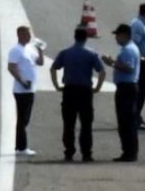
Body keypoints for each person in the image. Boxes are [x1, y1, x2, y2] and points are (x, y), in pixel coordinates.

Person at [50, 27, 107, 162]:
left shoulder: (65, 52)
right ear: (86, 38)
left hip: (69, 90)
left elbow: (53, 68)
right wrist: (98, 87)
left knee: (68, 124)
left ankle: (69, 152)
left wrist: (56, 85)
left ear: (74, 37)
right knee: (86, 124)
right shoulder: (91, 54)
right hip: (85, 91)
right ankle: (86, 153)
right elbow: (102, 71)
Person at [102, 23, 140, 162]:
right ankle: (129, 151)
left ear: (124, 35)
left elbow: (129, 67)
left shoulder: (128, 50)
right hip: (126, 87)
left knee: (126, 121)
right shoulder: (128, 48)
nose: (116, 38)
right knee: (125, 120)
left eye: (118, 35)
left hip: (127, 87)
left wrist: (112, 62)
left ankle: (129, 152)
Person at [7, 25, 44, 156]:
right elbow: (11, 67)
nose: (29, 36)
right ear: (20, 35)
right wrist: (21, 81)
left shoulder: (29, 49)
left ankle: (19, 146)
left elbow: (40, 62)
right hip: (21, 89)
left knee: (25, 119)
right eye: (27, 34)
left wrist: (40, 49)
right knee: (23, 119)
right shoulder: (16, 50)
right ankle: (22, 147)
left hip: (30, 89)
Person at [130, 3, 145, 130]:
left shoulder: (141, 23)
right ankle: (135, 117)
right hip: (141, 62)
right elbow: (135, 43)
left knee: (142, 91)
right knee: (140, 91)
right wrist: (140, 59)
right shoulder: (138, 25)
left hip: (143, 62)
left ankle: (137, 116)